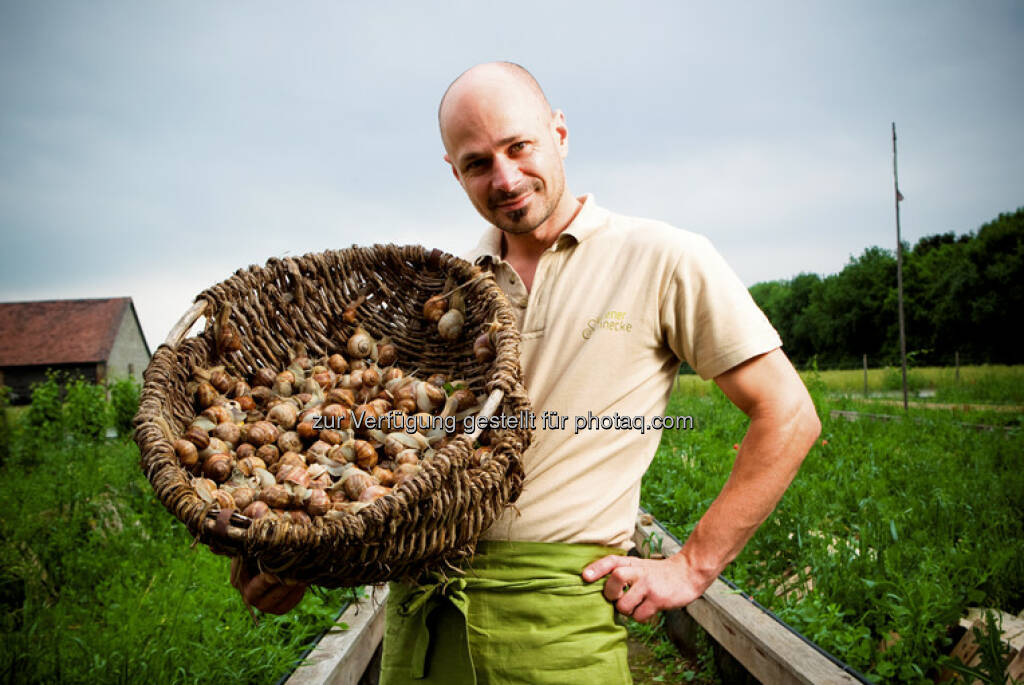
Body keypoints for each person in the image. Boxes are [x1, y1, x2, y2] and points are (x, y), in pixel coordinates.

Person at [234, 61, 821, 683]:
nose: (506, 178)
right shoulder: (446, 292)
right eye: (478, 163)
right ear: (453, 171)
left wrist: (692, 566)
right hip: (423, 619)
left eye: (520, 147)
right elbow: (385, 456)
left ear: (559, 132)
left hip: (558, 625)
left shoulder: (663, 258)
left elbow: (788, 413)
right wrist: (297, 552)